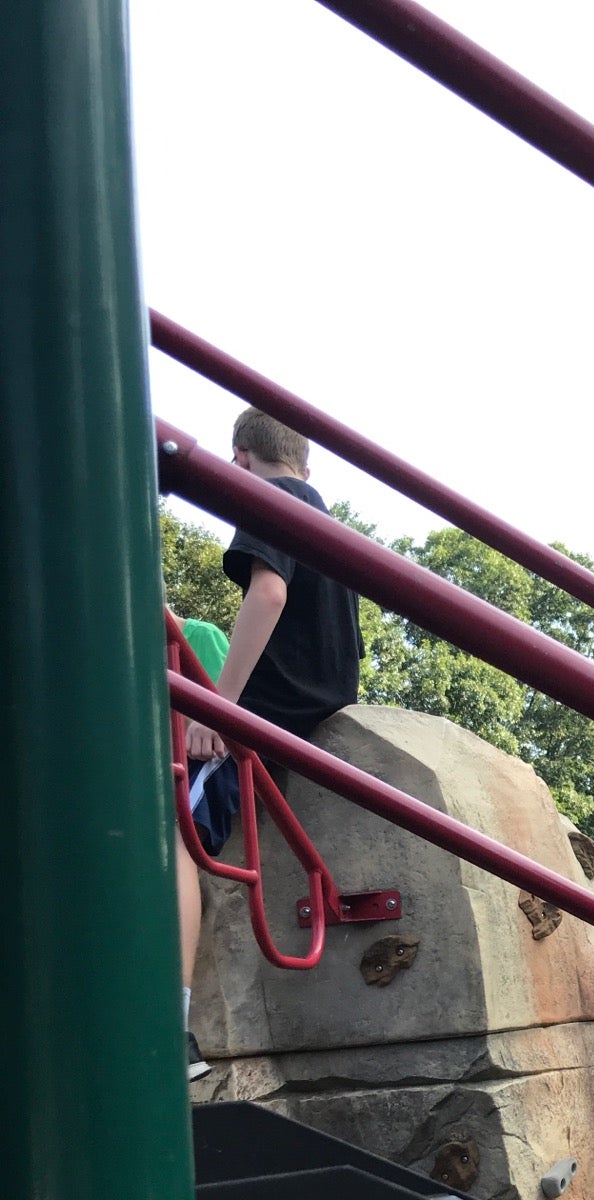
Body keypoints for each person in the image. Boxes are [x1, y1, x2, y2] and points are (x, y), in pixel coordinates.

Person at [178, 408, 363, 1078]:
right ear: (307, 462)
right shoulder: (325, 519)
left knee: (169, 831)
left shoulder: (272, 498)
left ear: (239, 459)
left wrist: (220, 708)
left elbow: (270, 591)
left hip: (272, 711)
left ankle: (174, 1026)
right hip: (319, 703)